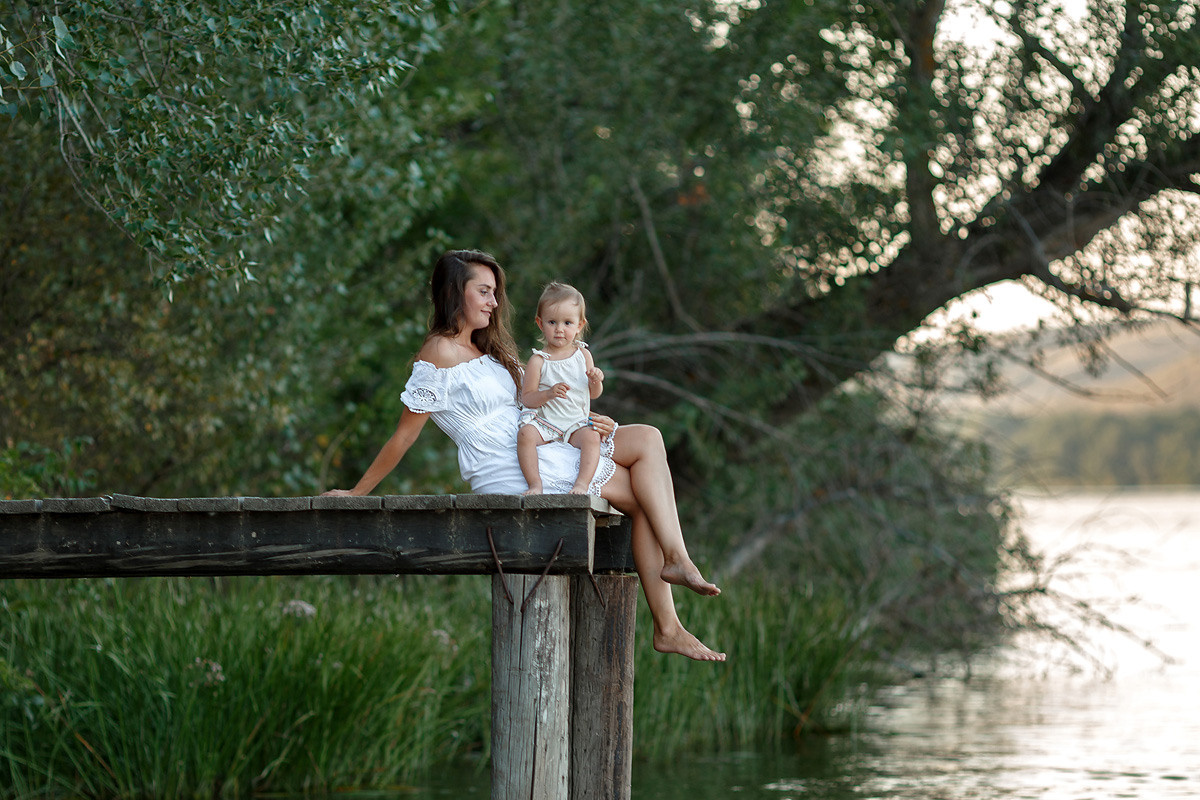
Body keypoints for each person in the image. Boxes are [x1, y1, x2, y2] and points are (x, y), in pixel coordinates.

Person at [322, 249, 725, 662]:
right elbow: (403, 436)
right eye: (483, 291)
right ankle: (669, 618)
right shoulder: (438, 352)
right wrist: (357, 493)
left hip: (542, 441)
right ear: (454, 292)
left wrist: (588, 419)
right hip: (507, 465)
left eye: (495, 292)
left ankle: (675, 570)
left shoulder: (491, 351)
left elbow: (541, 403)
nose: (494, 301)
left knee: (648, 439)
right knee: (641, 496)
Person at [518, 281, 604, 496]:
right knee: (525, 434)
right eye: (552, 322)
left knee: (592, 438)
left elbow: (593, 394)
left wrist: (595, 380)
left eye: (567, 323)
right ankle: (535, 484)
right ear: (540, 323)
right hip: (547, 423)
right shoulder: (539, 360)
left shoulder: (583, 355)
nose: (559, 329)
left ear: (579, 325)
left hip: (576, 423)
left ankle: (581, 484)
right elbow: (527, 398)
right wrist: (548, 393)